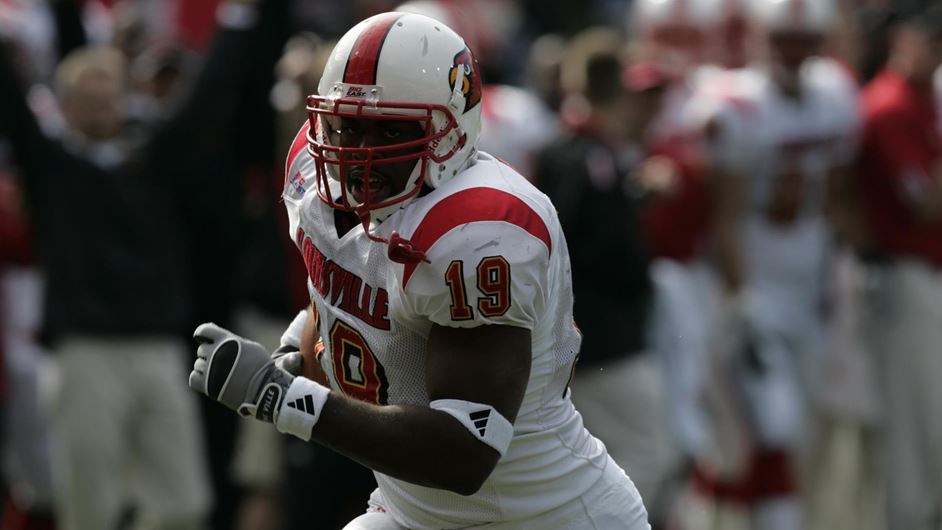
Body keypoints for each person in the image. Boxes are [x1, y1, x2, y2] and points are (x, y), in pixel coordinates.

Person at [187, 12, 650, 530]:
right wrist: (301, 346)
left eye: (390, 130)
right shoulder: (313, 176)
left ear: (450, 133)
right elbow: (343, 289)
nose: (359, 154)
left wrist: (283, 399)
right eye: (348, 127)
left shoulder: (477, 229)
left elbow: (463, 451)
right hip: (412, 513)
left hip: (545, 516)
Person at [857, 7, 942, 530]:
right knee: (914, 422)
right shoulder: (889, 104)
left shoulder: (921, 100)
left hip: (923, 276)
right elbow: (927, 205)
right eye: (930, 40)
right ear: (901, 40)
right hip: (902, 276)